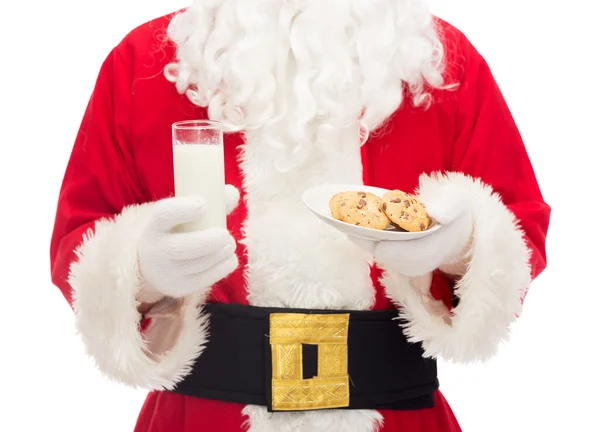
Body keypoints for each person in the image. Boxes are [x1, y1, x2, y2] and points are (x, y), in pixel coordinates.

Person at [49, 1, 551, 431]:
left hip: (396, 410)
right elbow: (79, 237)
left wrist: (461, 245)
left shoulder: (443, 62)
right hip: (202, 414)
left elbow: (518, 229)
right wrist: (139, 270)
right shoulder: (144, 62)